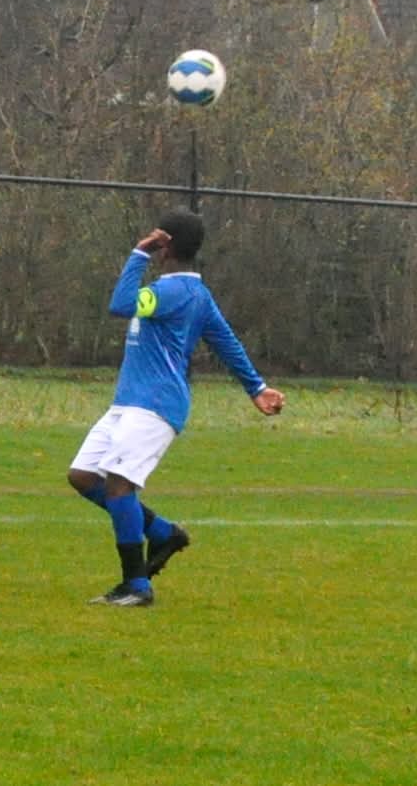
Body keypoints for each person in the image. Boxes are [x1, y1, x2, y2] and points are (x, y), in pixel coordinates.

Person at [66, 210, 283, 608]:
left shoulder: (171, 292)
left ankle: (137, 586)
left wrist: (138, 252)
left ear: (164, 245)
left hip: (154, 405)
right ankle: (164, 534)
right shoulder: (197, 294)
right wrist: (257, 387)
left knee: (119, 485)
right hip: (130, 402)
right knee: (82, 476)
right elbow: (227, 342)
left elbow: (121, 304)